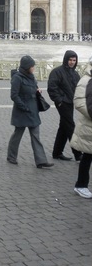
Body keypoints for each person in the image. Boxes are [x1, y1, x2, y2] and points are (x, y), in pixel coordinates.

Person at [7, 55, 54, 168]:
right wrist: (23, 106)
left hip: (33, 110)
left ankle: (41, 161)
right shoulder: (17, 78)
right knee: (17, 135)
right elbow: (14, 95)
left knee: (36, 136)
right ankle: (11, 156)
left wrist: (37, 91)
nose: (34, 68)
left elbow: (33, 88)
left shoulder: (31, 76)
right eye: (32, 66)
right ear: (27, 67)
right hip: (22, 111)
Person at [47, 50, 82, 161]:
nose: (72, 62)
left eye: (74, 60)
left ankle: (57, 152)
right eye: (70, 60)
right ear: (66, 60)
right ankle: (77, 153)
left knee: (64, 127)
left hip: (70, 103)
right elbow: (52, 88)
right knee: (71, 126)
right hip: (63, 103)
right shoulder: (57, 72)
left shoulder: (75, 73)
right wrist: (59, 100)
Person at [71, 57, 92, 198]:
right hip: (89, 125)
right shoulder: (86, 80)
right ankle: (81, 185)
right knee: (88, 155)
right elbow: (79, 102)